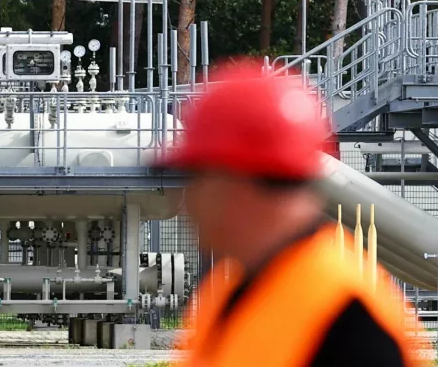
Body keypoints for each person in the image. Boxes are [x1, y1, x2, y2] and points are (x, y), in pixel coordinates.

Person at [156, 60, 422, 367]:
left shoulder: (351, 324)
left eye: (194, 178)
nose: (187, 201)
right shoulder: (232, 291)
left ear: (235, 183)